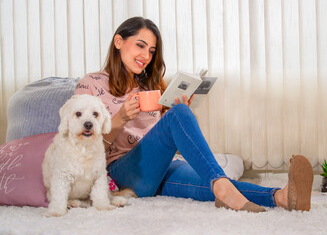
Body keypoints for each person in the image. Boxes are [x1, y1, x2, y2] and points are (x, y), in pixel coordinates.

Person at [74, 16, 313, 212]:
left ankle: (281, 197)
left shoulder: (150, 87)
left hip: (159, 169)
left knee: (208, 179)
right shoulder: (91, 85)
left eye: (152, 50)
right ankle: (223, 188)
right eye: (140, 45)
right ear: (118, 42)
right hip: (122, 172)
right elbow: (80, 148)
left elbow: (168, 136)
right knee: (190, 135)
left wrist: (182, 113)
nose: (146, 56)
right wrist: (120, 119)